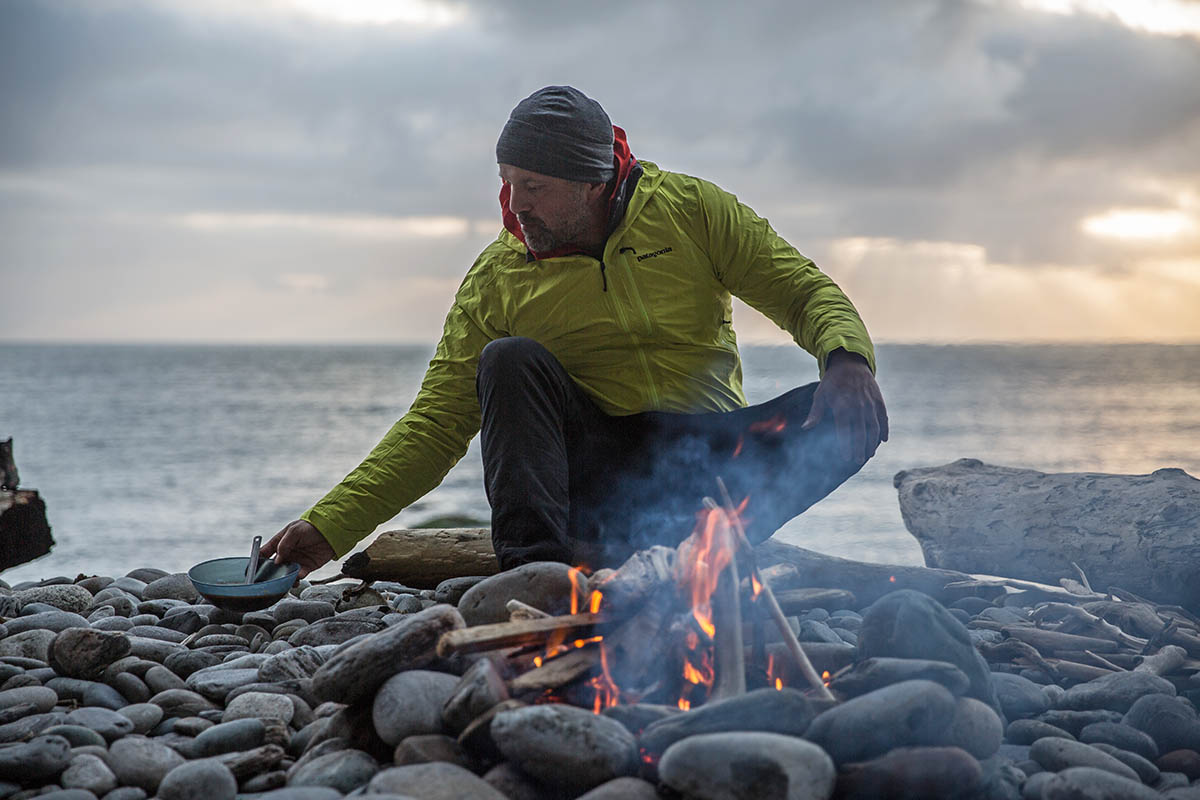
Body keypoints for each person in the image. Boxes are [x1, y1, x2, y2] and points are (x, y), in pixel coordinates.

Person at [262, 86, 888, 577]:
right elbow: (434, 424)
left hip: (711, 461)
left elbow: (802, 290)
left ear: (594, 181)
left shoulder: (692, 212)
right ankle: (535, 575)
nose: (514, 203)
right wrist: (330, 527)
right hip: (595, 474)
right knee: (508, 360)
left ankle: (712, 545)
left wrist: (847, 359)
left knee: (847, 408)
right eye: (506, 181)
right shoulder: (499, 276)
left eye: (533, 186)